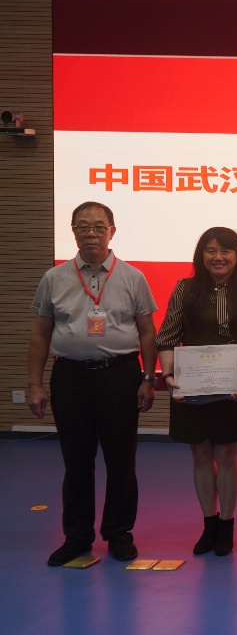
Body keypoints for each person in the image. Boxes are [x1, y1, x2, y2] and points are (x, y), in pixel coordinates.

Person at [27, 202, 158, 566]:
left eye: (99, 227)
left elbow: (148, 332)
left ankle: (119, 533)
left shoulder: (133, 277)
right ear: (73, 232)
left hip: (119, 375)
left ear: (112, 231)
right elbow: (40, 334)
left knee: (121, 459)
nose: (91, 233)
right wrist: (34, 384)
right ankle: (77, 536)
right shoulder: (54, 278)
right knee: (76, 460)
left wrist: (149, 378)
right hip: (70, 377)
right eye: (83, 226)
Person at [156, 227, 237, 557]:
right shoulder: (185, 288)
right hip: (191, 385)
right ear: (201, 254)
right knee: (201, 455)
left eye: (225, 251)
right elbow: (167, 337)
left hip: (235, 386)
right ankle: (209, 523)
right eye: (210, 250)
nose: (218, 257)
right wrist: (169, 375)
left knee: (227, 456)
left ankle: (227, 524)